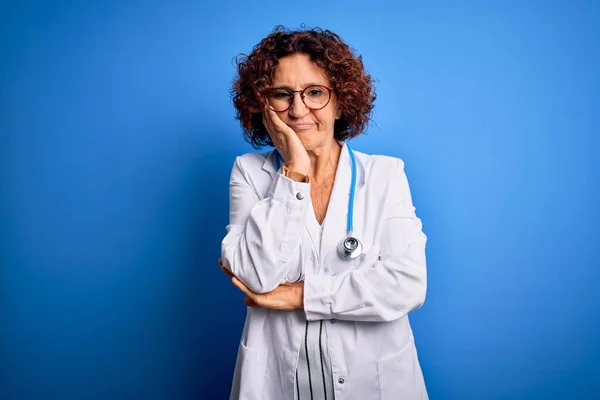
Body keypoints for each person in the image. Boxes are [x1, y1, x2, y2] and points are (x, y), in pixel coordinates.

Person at [219, 26, 428, 400]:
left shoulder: (384, 175)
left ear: (340, 100)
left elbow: (406, 285)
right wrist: (295, 171)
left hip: (374, 382)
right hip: (277, 383)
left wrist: (301, 296)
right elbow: (255, 275)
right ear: (263, 106)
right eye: (282, 95)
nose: (298, 110)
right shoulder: (249, 173)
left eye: (314, 92)